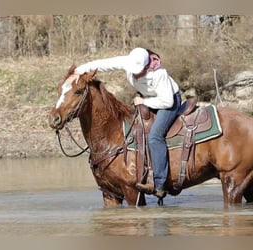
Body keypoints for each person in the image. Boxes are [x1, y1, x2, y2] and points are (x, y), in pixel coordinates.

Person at [75, 47, 181, 199]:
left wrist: (144, 101)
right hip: (147, 99)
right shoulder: (129, 62)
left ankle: (160, 184)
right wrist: (79, 71)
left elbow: (167, 101)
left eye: (138, 70)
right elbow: (103, 64)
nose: (135, 73)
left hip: (168, 102)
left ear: (146, 66)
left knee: (155, 137)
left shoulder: (159, 74)